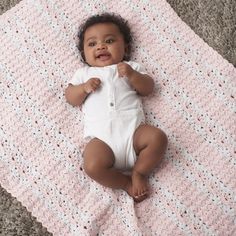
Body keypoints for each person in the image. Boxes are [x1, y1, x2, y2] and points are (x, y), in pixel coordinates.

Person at [65, 13, 168, 202]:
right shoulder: (84, 74)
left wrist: (132, 75)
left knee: (158, 138)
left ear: (125, 48)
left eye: (109, 40)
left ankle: (139, 172)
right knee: (92, 166)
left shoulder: (131, 67)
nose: (101, 46)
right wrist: (84, 88)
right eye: (92, 44)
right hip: (103, 141)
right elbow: (70, 97)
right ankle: (126, 183)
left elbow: (148, 88)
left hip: (134, 133)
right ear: (83, 54)